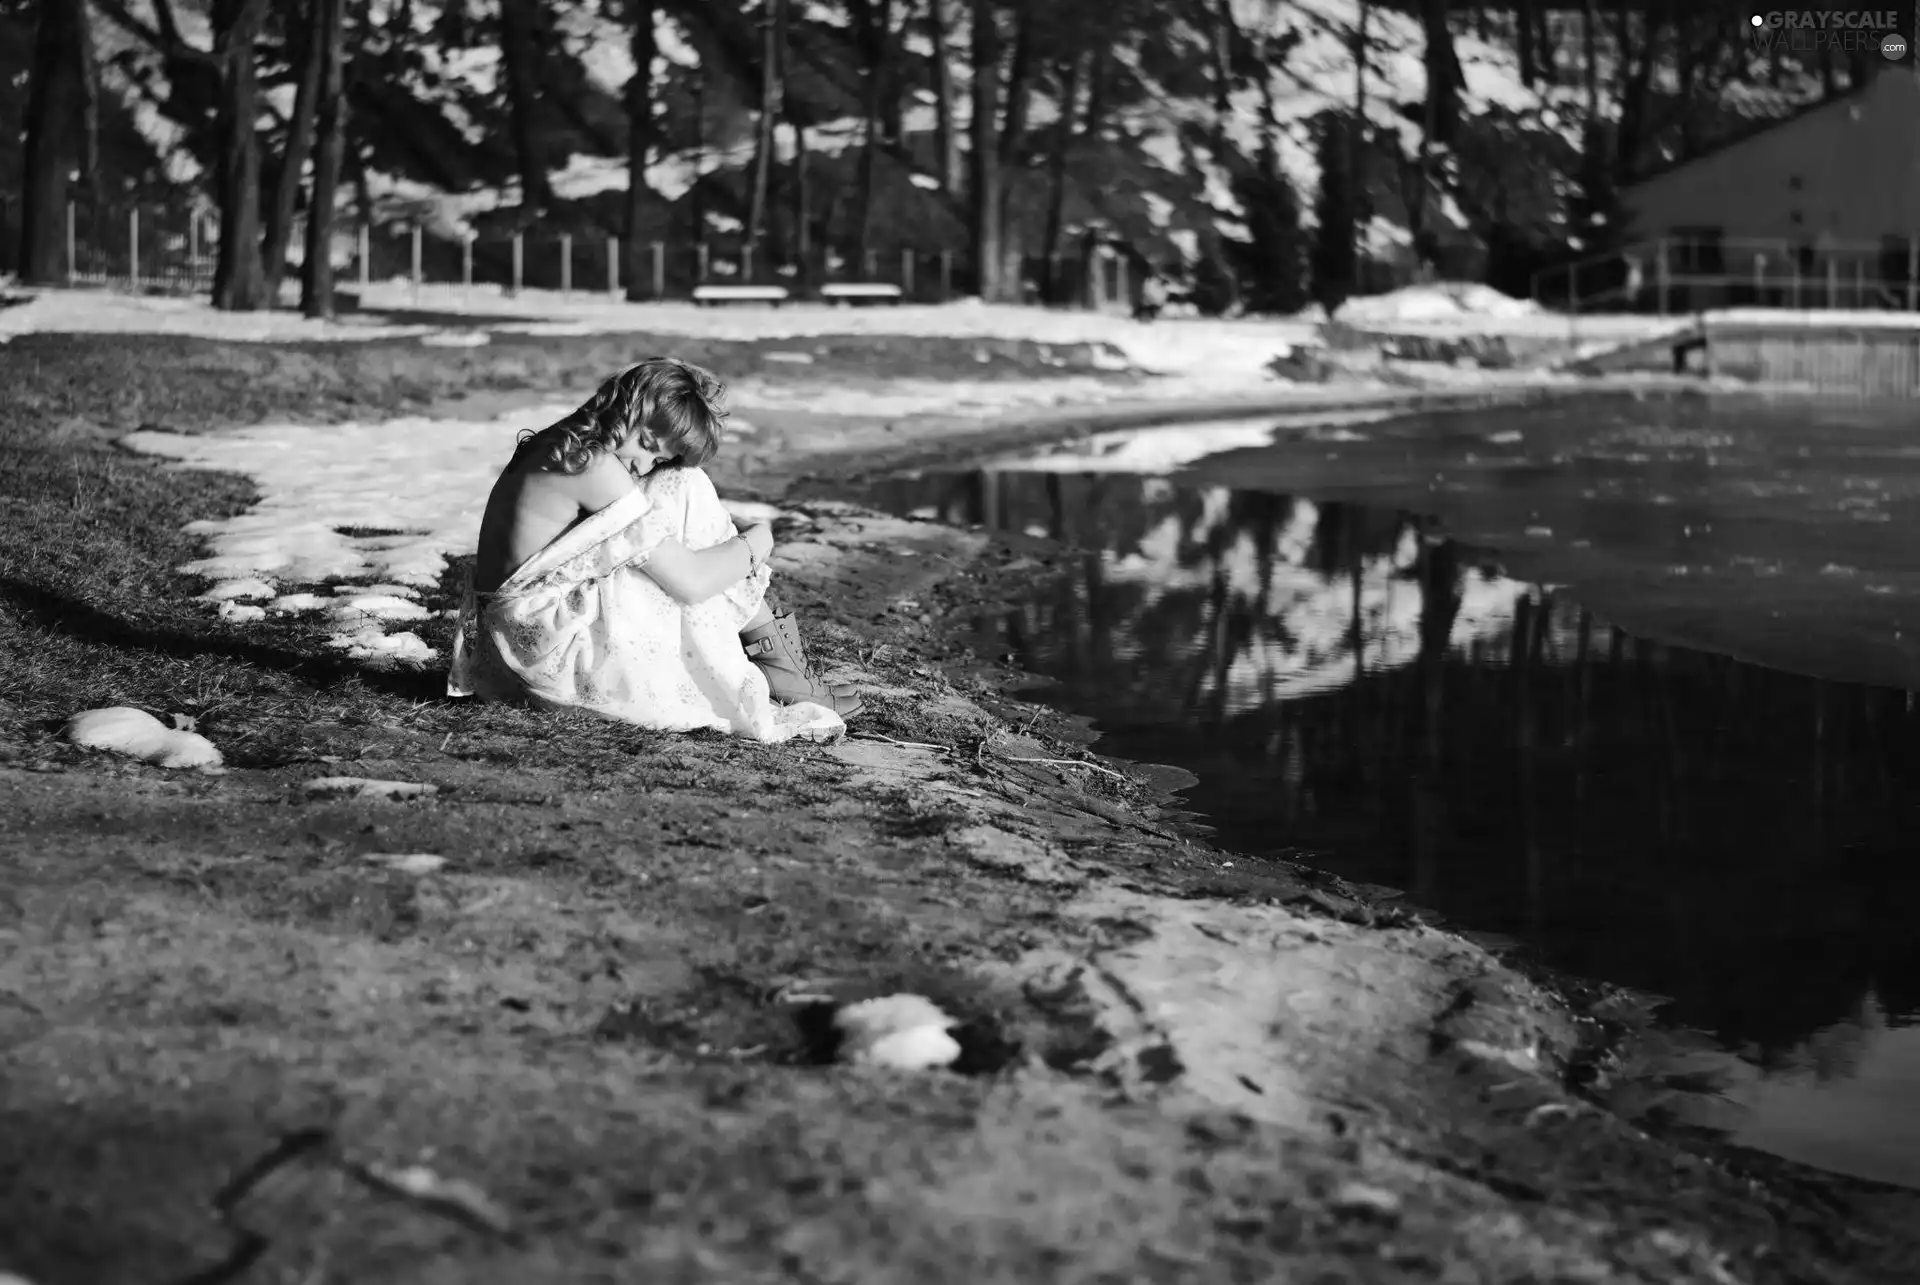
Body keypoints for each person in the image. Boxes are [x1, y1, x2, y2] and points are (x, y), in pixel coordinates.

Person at [449, 357, 862, 742]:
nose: (643, 466)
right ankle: (779, 661)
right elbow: (693, 583)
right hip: (546, 660)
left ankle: (779, 662)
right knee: (685, 485)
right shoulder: (591, 466)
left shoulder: (562, 443)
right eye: (647, 444)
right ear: (628, 408)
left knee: (679, 481)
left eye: (656, 458)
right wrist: (758, 541)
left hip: (511, 652)